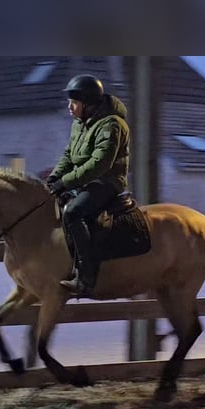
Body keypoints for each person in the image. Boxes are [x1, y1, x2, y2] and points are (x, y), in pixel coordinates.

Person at [46, 74, 130, 296]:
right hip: (83, 181)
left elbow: (100, 163)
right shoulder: (79, 125)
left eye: (74, 103)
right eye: (69, 102)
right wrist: (55, 178)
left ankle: (87, 276)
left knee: (73, 213)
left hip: (106, 182)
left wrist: (66, 181)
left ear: (88, 103)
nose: (69, 107)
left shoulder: (112, 125)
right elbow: (68, 154)